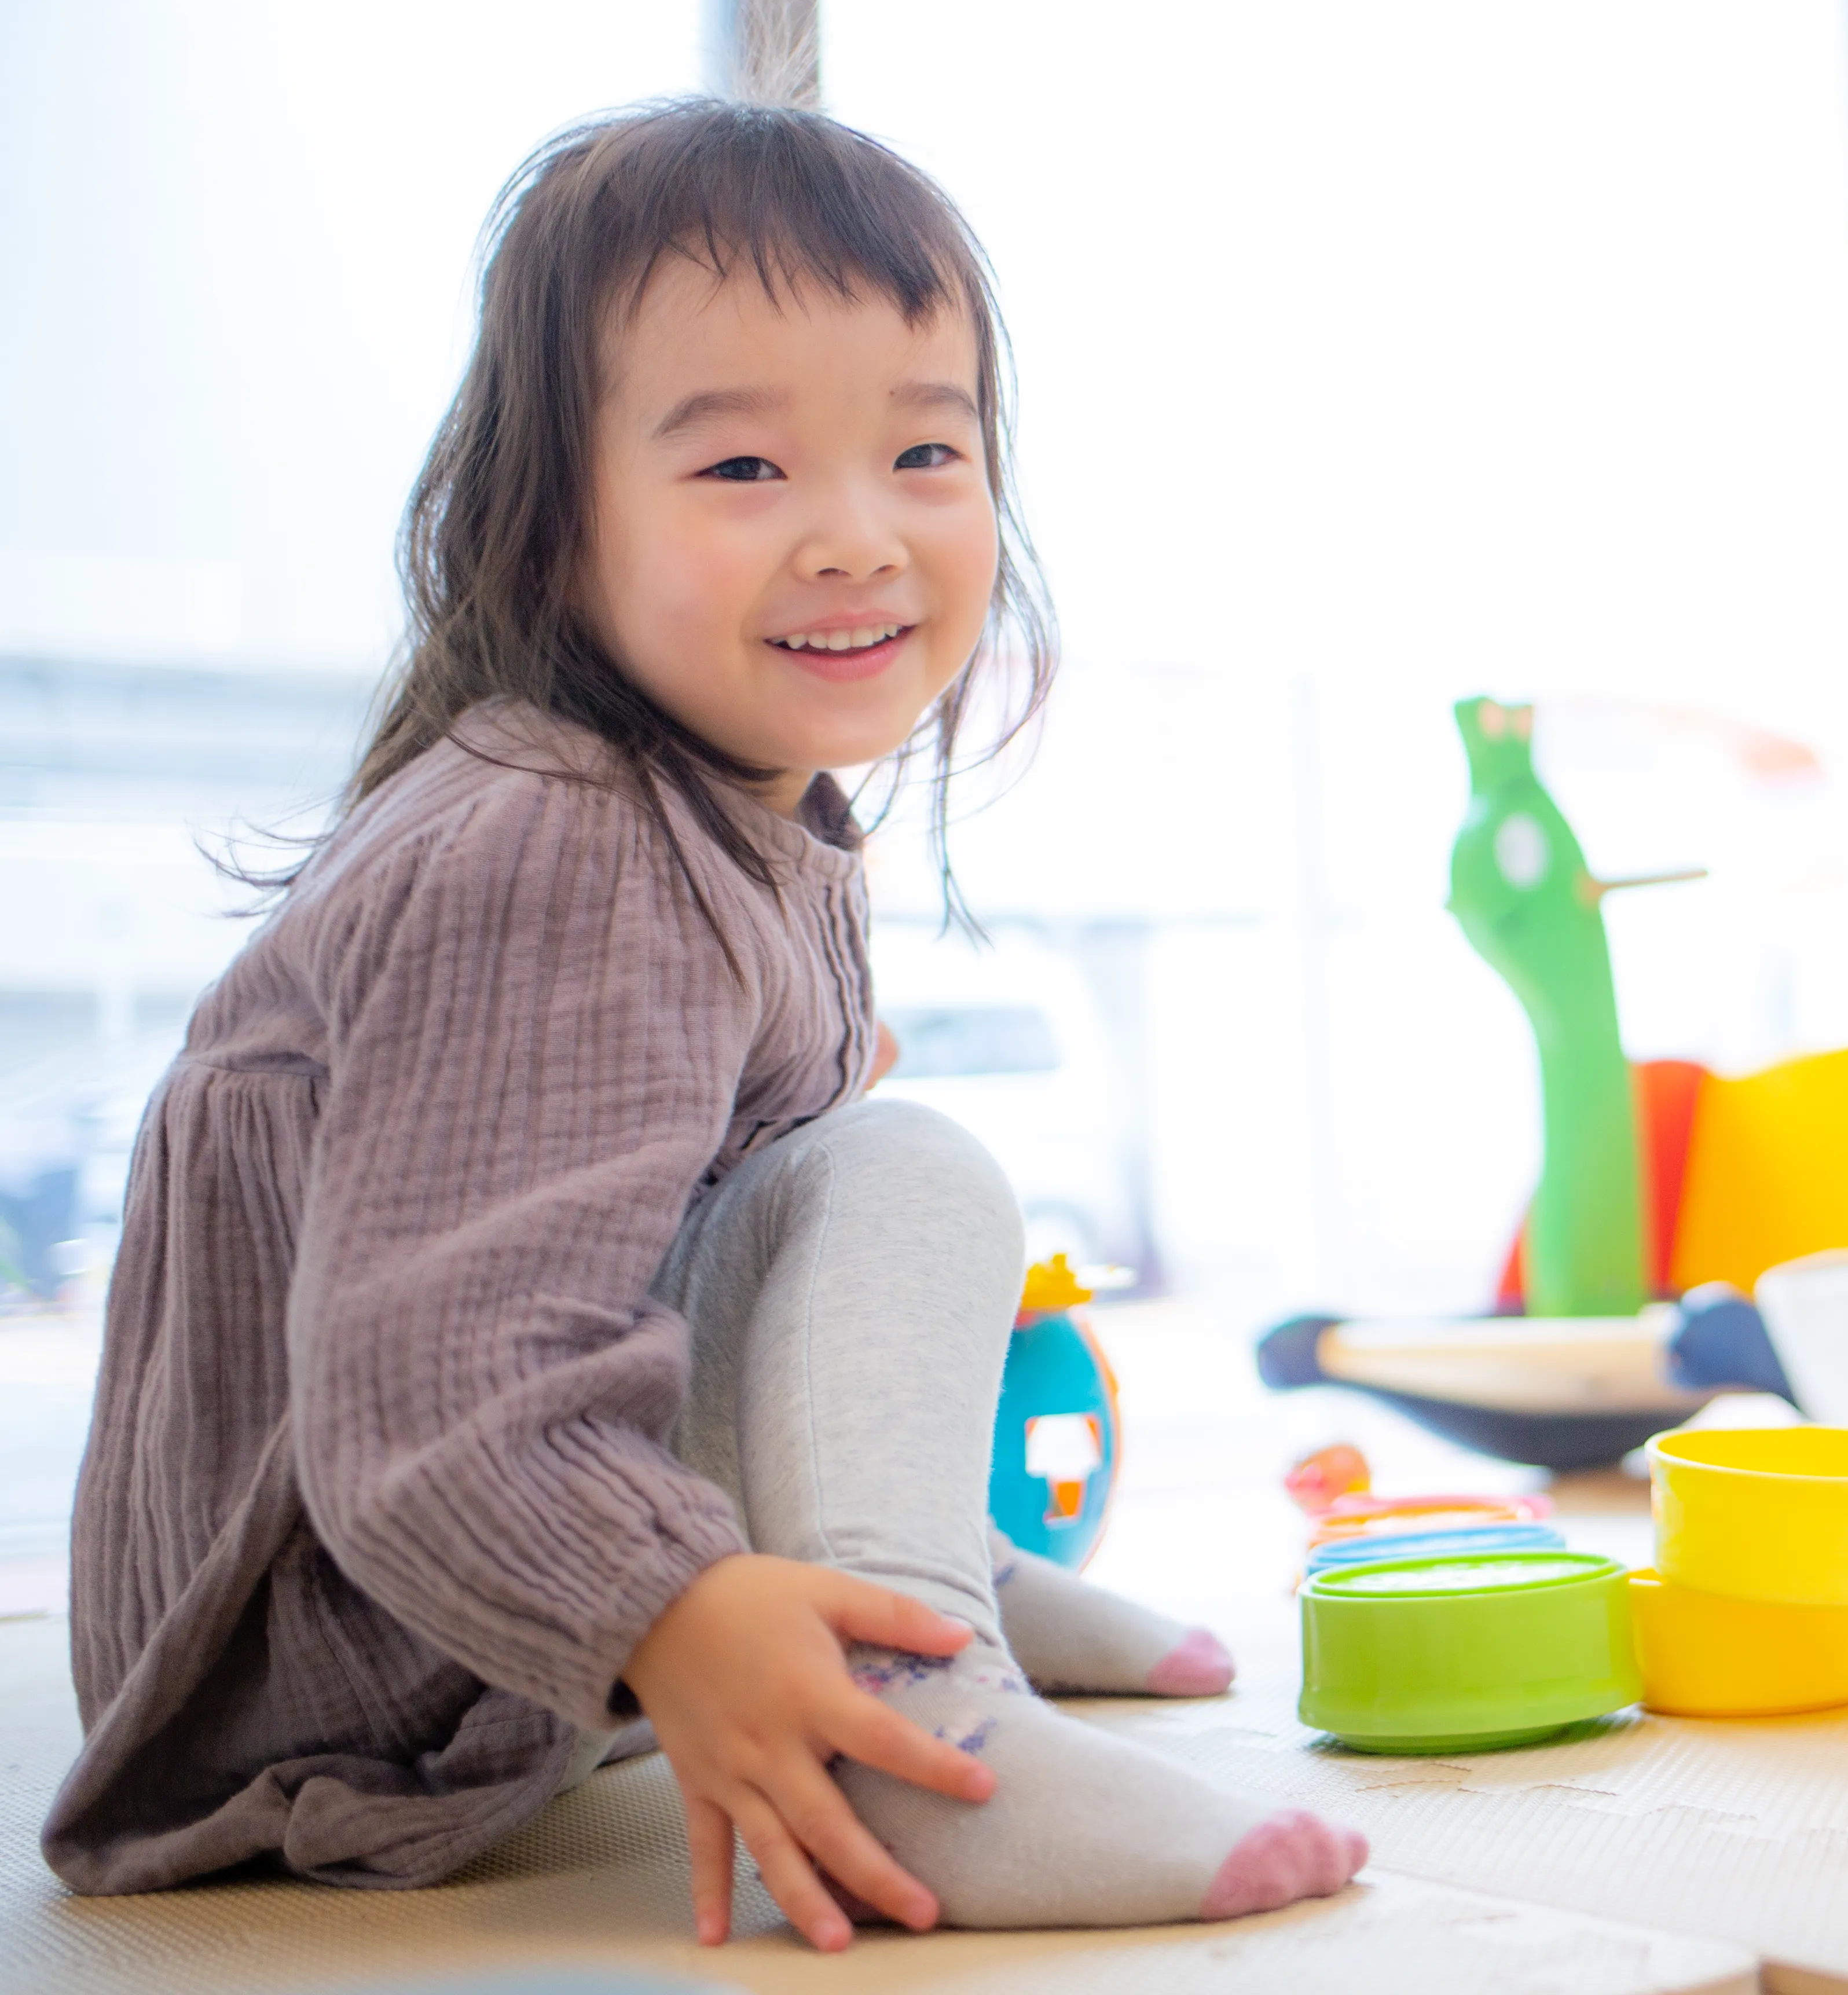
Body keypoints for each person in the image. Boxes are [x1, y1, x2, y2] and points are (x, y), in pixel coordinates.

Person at [46, 97, 1366, 1946]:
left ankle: (915, 1585)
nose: (857, 537)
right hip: (335, 1658)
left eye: (925, 450)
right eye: (742, 471)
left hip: (394, 1605)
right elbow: (433, 1396)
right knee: (894, 1170)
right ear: (550, 533)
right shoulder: (559, 839)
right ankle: (911, 1735)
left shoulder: (715, 813)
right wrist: (669, 1609)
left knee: (837, 1150)